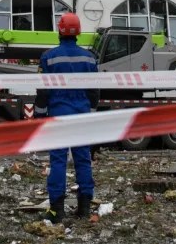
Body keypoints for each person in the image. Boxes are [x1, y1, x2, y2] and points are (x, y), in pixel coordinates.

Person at [34, 12, 99, 224]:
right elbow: (94, 91)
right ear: (78, 32)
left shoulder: (49, 57)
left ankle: (57, 210)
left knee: (58, 161)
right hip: (82, 115)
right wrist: (92, 113)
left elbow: (43, 90)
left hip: (59, 114)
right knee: (83, 159)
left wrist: (39, 115)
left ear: (59, 31)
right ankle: (84, 208)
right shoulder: (89, 58)